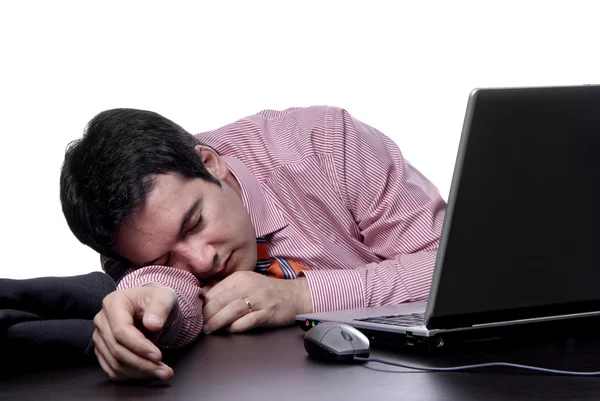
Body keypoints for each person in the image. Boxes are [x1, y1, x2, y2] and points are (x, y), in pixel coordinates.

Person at [60, 105, 446, 381]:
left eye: (194, 223)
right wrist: (154, 312)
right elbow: (165, 291)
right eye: (165, 256)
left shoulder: (329, 143)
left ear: (211, 164)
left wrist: (298, 297)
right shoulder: (126, 236)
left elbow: (453, 269)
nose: (202, 259)